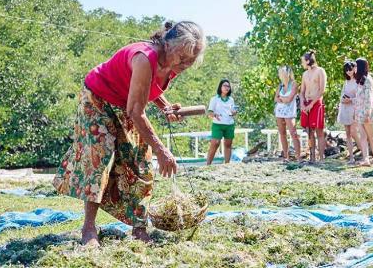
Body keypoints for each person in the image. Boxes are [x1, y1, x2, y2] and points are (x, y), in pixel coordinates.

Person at [53, 21, 206, 246]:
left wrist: (164, 106)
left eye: (191, 61)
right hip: (98, 98)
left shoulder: (171, 63)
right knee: (100, 157)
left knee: (140, 161)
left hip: (125, 101)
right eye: (183, 58)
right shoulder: (144, 58)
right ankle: (88, 229)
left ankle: (139, 228)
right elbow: (136, 111)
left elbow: (147, 88)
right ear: (168, 44)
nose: (185, 64)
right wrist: (162, 150)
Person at [299, 50, 327, 163]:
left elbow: (321, 90)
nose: (301, 64)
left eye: (302, 61)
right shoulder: (304, 74)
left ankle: (321, 158)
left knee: (319, 131)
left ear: (307, 61)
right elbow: (301, 92)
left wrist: (312, 104)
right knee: (309, 131)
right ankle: (312, 157)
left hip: (316, 103)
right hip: (306, 103)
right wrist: (302, 103)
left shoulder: (321, 71)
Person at [353, 58, 373, 167]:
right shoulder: (359, 80)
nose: (354, 68)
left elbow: (369, 98)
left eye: (355, 65)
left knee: (370, 136)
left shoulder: (367, 80)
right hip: (360, 111)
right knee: (363, 136)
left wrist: (368, 113)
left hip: (366, 112)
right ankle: (366, 159)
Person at [206, 79, 237, 165]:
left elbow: (233, 111)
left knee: (228, 144)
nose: (227, 88)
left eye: (228, 86)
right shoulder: (215, 99)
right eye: (225, 86)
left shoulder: (231, 99)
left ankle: (227, 164)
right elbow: (210, 112)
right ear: (220, 87)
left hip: (229, 124)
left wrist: (234, 112)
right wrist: (215, 115)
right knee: (215, 143)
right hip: (217, 125)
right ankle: (208, 164)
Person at [337, 61, 362, 165]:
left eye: (350, 69)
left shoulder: (358, 81)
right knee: (347, 134)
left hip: (354, 109)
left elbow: (360, 97)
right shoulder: (346, 82)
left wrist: (350, 100)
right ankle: (351, 157)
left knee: (353, 132)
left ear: (354, 69)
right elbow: (342, 94)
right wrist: (343, 100)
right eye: (346, 70)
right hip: (345, 109)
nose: (348, 72)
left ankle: (364, 152)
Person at [274, 66, 302, 162]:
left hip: (290, 112)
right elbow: (275, 98)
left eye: (282, 72)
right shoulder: (280, 85)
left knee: (293, 134)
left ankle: (298, 157)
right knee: (282, 133)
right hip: (279, 112)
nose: (280, 75)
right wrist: (283, 99)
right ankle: (286, 156)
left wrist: (281, 99)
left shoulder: (294, 84)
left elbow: (289, 99)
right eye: (280, 73)